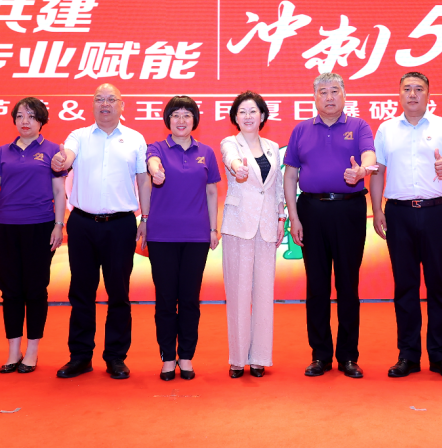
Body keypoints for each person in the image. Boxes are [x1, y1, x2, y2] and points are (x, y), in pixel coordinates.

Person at [51, 83, 149, 380]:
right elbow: (67, 157)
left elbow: (143, 180)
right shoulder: (79, 136)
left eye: (111, 99)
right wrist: (61, 160)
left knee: (118, 292)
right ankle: (80, 356)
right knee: (81, 291)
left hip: (120, 225)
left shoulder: (135, 139)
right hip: (82, 224)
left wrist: (146, 218)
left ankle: (116, 357)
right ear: (92, 105)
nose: (104, 104)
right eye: (99, 99)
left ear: (122, 105)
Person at [369, 72, 442, 379]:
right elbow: (378, 171)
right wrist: (377, 209)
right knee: (405, 286)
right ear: (399, 94)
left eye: (419, 89)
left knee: (439, 286)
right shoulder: (386, 129)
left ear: (428, 94)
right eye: (407, 89)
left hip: (436, 212)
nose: (413, 94)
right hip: (399, 214)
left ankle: (440, 356)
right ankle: (408, 355)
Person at [284, 72, 377, 379]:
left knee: (348, 284)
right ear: (314, 97)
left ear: (344, 95)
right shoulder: (301, 130)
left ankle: (348, 356)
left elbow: (369, 155)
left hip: (349, 209)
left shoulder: (359, 126)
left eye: (334, 91)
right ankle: (320, 355)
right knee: (317, 285)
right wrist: (294, 217)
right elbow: (290, 175)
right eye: (323, 92)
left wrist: (362, 170)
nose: (329, 97)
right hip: (311, 210)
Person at [0, 97, 66, 374]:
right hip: (7, 227)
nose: (25, 121)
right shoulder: (2, 152)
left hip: (40, 226)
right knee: (9, 289)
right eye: (20, 116)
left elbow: (59, 192)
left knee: (35, 289)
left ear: (41, 121)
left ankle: (32, 351)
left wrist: (59, 224)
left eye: (31, 116)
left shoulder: (53, 151)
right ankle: (13, 350)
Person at [142, 96, 221, 381]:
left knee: (189, 299)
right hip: (162, 235)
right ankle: (167, 356)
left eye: (187, 114)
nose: (181, 120)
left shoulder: (206, 152)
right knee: (165, 299)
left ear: (194, 120)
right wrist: (155, 171)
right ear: (168, 119)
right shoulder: (157, 148)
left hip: (196, 236)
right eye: (175, 114)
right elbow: (151, 162)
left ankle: (186, 356)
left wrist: (213, 229)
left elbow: (211, 191)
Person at [219, 91, 286, 378]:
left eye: (253, 111)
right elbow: (232, 160)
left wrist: (281, 216)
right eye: (242, 112)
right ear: (235, 117)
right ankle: (237, 359)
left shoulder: (272, 147)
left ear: (262, 116)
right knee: (237, 293)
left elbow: (277, 186)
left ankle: (259, 357)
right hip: (239, 226)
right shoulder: (229, 143)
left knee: (263, 292)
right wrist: (239, 169)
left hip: (267, 225)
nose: (248, 116)